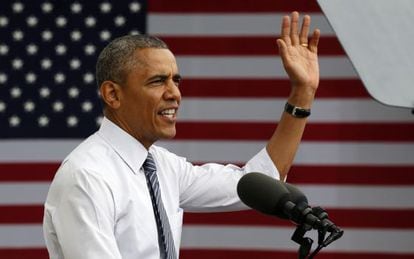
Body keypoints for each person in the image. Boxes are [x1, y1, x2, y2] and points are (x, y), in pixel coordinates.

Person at [43, 11, 320, 259]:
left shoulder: (163, 166)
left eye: (176, 80)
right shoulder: (86, 177)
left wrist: (302, 92)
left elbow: (263, 182)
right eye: (157, 81)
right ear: (113, 94)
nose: (174, 93)